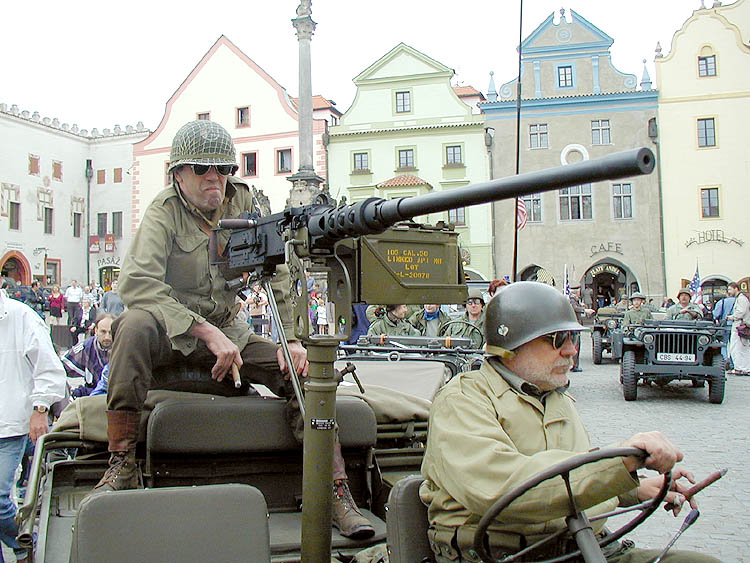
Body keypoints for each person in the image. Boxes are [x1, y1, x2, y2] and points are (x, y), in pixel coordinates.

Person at [89, 120, 373, 539]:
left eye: (222, 169)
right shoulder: (163, 212)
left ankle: (332, 490)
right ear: (178, 174)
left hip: (230, 330)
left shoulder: (242, 204)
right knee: (131, 325)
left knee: (304, 371)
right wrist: (203, 330)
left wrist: (292, 339)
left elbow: (276, 270)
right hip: (172, 331)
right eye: (202, 169)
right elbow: (136, 284)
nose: (214, 179)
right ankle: (123, 463)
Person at [420, 282, 719, 563]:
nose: (572, 350)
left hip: (582, 545)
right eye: (557, 339)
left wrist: (634, 489)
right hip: (502, 554)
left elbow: (569, 478)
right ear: (512, 344)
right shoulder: (463, 400)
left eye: (573, 337)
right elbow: (504, 490)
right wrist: (621, 462)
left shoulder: (553, 396)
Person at [0, 287, 66, 563]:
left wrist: (40, 410)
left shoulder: (21, 316)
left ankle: (27, 544)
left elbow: (50, 369)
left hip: (9, 425)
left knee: (0, 501)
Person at [61, 313, 114, 398]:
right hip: (91, 396)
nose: (107, 337)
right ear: (96, 330)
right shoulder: (86, 346)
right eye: (103, 332)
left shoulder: (123, 348)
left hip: (115, 397)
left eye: (111, 333)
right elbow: (61, 368)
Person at [568, 286, 594, 372]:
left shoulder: (575, 300)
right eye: (579, 291)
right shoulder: (572, 300)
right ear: (576, 292)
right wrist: (585, 310)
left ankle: (574, 364)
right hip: (574, 325)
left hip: (576, 324)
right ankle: (574, 365)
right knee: (576, 345)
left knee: (576, 345)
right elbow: (575, 308)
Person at [726, 282, 750, 375]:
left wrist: (731, 317)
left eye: (730, 289)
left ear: (736, 288)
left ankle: (740, 368)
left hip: (740, 326)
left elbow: (740, 313)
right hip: (741, 325)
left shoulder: (741, 299)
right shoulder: (741, 298)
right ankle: (743, 368)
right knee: (741, 348)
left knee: (738, 348)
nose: (729, 291)